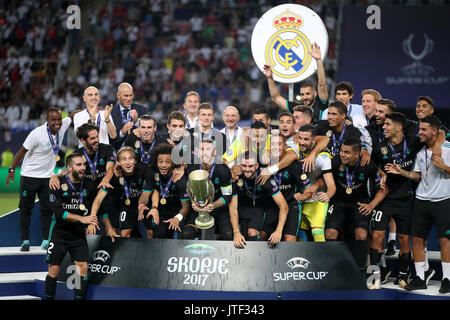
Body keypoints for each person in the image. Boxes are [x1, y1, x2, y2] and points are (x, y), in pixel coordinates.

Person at [370, 112, 436, 287]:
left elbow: (440, 133)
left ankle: (402, 273)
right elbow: (372, 165)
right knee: (377, 236)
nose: (383, 127)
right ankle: (374, 273)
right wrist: (381, 173)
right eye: (383, 125)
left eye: (387, 124)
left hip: (406, 199)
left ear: (399, 127)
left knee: (404, 238)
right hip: (384, 198)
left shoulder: (413, 142)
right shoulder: (379, 148)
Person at [386, 115, 450, 293]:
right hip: (421, 200)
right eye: (419, 129)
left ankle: (447, 279)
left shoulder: (447, 148)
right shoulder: (420, 152)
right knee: (418, 240)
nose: (419, 132)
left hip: (443, 200)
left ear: (434, 131)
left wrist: (444, 166)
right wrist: (403, 172)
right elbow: (417, 174)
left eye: (423, 129)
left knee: (445, 240)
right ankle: (421, 278)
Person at [6, 107, 75, 251]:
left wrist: (91, 108)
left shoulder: (62, 126)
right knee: (25, 209)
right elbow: (21, 152)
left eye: (59, 119)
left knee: (47, 209)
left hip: (47, 178)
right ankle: (25, 241)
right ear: (47, 120)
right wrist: (12, 170)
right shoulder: (36, 134)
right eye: (53, 120)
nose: (57, 123)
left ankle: (46, 240)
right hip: (29, 176)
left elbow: (73, 115)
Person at [325, 138, 389, 272]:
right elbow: (323, 178)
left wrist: (371, 205)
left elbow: (384, 190)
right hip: (338, 203)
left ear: (357, 154)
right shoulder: (335, 161)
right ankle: (333, 271)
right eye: (341, 151)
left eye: (347, 152)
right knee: (330, 233)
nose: (342, 154)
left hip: (359, 203)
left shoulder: (368, 165)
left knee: (361, 235)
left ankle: (358, 271)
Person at [45, 153, 98, 300]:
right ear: (69, 168)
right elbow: (58, 212)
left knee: (83, 267)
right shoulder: (56, 183)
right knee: (54, 270)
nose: (83, 168)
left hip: (78, 235)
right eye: (79, 165)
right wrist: (82, 219)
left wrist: (92, 220)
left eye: (84, 165)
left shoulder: (88, 184)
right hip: (59, 233)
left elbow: (96, 204)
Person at [88, 147, 153, 238]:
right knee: (124, 234)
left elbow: (145, 195)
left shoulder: (144, 170)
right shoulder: (114, 177)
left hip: (144, 205)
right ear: (118, 162)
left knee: (150, 234)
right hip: (127, 207)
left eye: (130, 158)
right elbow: (98, 199)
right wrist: (92, 220)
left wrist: (141, 205)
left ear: (135, 161)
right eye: (124, 159)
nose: (128, 162)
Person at [264, 42, 328, 124]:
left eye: (307, 94)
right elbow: (276, 97)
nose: (304, 97)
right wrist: (270, 78)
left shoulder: (321, 104)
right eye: (302, 94)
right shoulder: (297, 108)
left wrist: (318, 60)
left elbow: (322, 84)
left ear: (315, 93)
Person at [234, 151, 289, 246]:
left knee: (255, 234)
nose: (247, 169)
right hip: (244, 209)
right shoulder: (236, 175)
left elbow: (284, 206)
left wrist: (278, 231)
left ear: (256, 166)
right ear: (240, 165)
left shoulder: (264, 178)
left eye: (250, 166)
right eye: (244, 166)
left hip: (265, 210)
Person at [184, 139, 235, 241]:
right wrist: (193, 203)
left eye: (208, 149)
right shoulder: (191, 168)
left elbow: (227, 196)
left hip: (218, 208)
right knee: (187, 234)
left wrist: (213, 205)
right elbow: (188, 191)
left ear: (214, 152)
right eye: (202, 149)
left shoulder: (223, 170)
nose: (204, 152)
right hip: (198, 207)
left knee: (228, 234)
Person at [139, 143, 191, 239]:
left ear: (173, 163)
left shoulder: (180, 179)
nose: (163, 165)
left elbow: (186, 207)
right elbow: (145, 195)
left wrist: (177, 218)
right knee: (159, 236)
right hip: (161, 213)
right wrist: (141, 205)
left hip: (179, 212)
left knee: (182, 238)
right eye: (160, 162)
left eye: (167, 162)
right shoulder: (152, 173)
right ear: (156, 162)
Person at [294, 124, 335, 242]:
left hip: (316, 201)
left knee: (317, 234)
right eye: (300, 138)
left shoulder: (323, 158)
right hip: (299, 200)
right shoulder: (293, 149)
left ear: (313, 140)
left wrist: (328, 195)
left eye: (306, 139)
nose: (302, 142)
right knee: (299, 236)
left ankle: (323, 260)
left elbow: (331, 185)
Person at [268, 134, 307, 242]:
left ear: (285, 146)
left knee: (289, 238)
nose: (276, 147)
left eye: (279, 144)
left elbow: (308, 187)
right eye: (273, 144)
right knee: (262, 235)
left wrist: (304, 195)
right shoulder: (264, 163)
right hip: (271, 205)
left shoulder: (294, 165)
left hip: (291, 205)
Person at [110, 82, 148, 150]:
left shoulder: (142, 110)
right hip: (117, 151)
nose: (129, 99)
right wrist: (122, 132)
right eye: (126, 96)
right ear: (118, 96)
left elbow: (147, 133)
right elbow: (110, 138)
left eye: (131, 95)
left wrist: (136, 122)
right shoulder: (111, 113)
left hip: (138, 151)